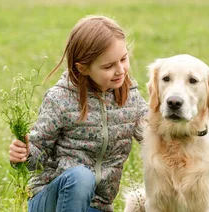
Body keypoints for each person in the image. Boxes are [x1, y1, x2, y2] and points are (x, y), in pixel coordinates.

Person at [8, 15, 148, 212]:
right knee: (81, 177)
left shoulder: (130, 96)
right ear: (83, 68)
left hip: (97, 205)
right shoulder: (60, 99)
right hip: (51, 200)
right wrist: (24, 153)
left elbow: (154, 133)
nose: (120, 70)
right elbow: (36, 156)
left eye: (123, 59)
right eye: (108, 66)